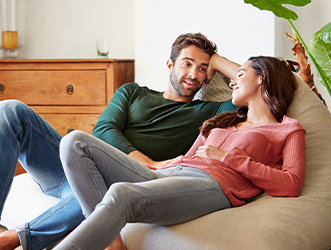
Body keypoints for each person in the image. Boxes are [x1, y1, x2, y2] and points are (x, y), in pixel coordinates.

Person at [0, 32, 238, 250]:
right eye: (187, 63)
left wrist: (217, 60)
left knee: (97, 191)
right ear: (170, 64)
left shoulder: (208, 111)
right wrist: (149, 162)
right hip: (69, 163)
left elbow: (258, 92)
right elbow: (103, 130)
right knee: (10, 110)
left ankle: (16, 238)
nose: (193, 74)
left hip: (109, 181)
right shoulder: (132, 92)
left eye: (202, 68)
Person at [54, 55, 307, 250]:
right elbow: (189, 157)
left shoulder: (287, 129)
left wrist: (229, 158)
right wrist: (157, 166)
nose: (232, 80)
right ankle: (113, 244)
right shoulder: (223, 120)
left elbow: (292, 184)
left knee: (121, 192)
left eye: (240, 74)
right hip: (172, 174)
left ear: (261, 78)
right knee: (74, 142)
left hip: (213, 185)